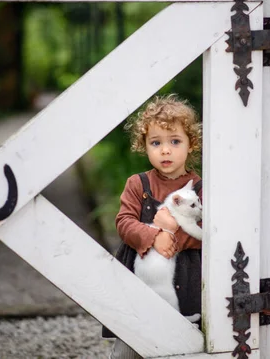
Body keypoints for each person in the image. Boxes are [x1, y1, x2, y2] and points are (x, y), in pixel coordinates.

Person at [105, 94, 203, 359]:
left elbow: (210, 230)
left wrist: (174, 238)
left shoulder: (201, 188)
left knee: (184, 342)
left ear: (190, 144)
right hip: (142, 276)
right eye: (156, 142)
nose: (165, 150)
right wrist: (154, 236)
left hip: (186, 277)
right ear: (144, 146)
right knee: (132, 339)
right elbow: (124, 222)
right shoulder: (137, 184)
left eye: (175, 141)